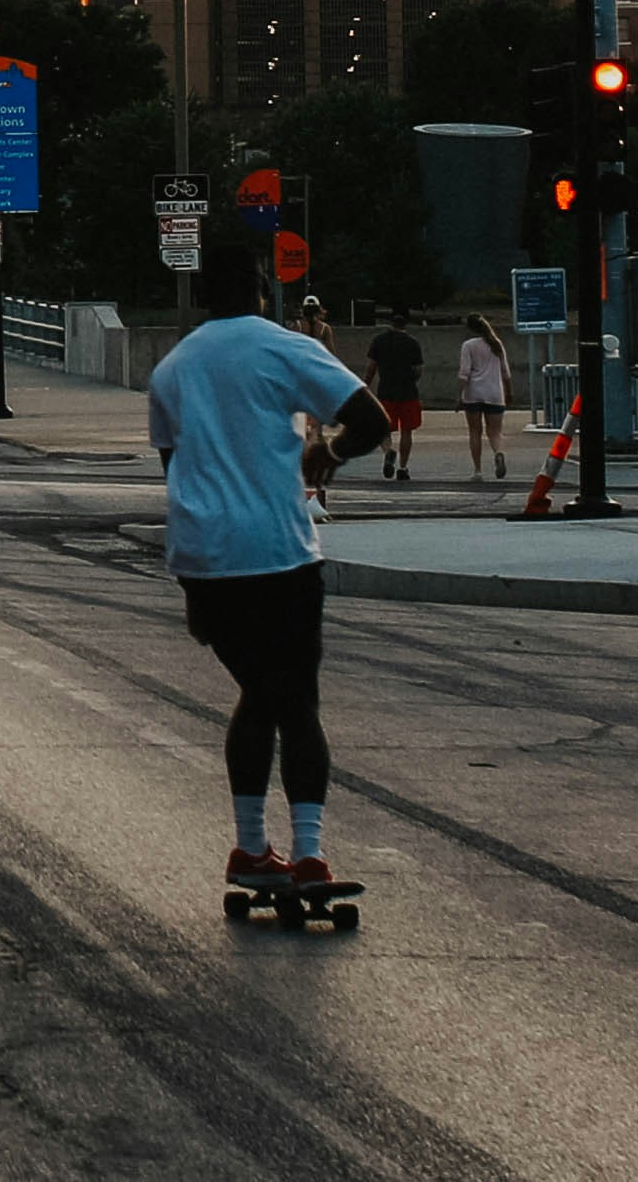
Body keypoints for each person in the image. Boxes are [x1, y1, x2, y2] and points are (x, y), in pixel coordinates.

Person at [150, 240, 392, 893]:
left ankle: (251, 847)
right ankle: (308, 852)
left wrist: (191, 582)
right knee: (295, 697)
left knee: (259, 692)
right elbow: (372, 418)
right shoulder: (283, 346)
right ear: (260, 286)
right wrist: (330, 451)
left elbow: (179, 473)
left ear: (200, 293)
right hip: (278, 551)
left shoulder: (171, 370)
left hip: (204, 558)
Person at [366, 306, 427, 482]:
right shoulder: (413, 343)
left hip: (386, 391)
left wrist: (365, 385)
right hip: (408, 392)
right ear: (406, 322)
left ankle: (388, 452)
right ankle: (403, 467)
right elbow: (418, 370)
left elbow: (371, 367)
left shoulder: (379, 341)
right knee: (406, 431)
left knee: (384, 430)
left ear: (390, 321)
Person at [456, 316, 512, 482]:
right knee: (494, 432)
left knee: (475, 432)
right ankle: (499, 453)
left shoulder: (468, 346)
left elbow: (464, 373)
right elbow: (506, 373)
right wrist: (509, 392)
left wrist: (459, 395)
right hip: (494, 393)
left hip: (473, 394)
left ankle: (478, 471)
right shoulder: (496, 344)